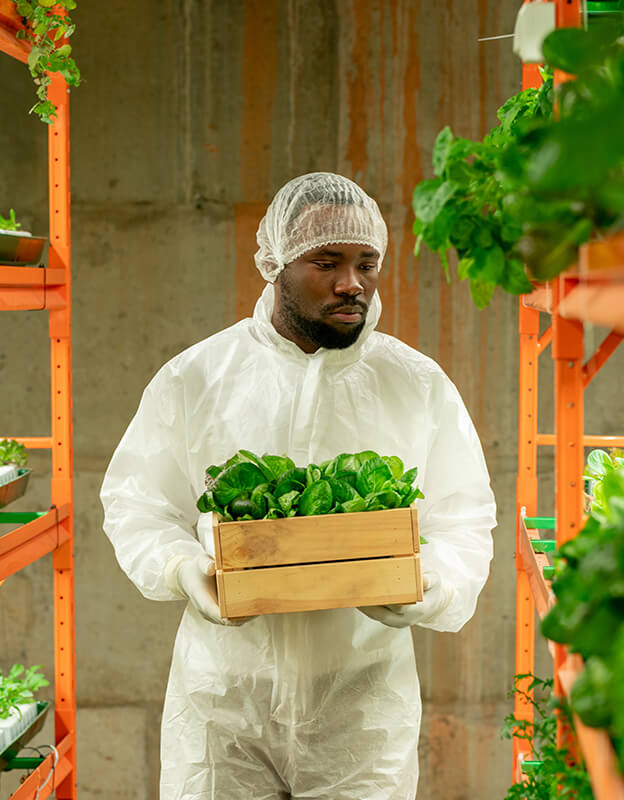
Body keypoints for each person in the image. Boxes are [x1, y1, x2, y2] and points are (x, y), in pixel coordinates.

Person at [100, 172, 496, 800]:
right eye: (327, 261)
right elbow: (136, 503)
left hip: (360, 709)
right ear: (275, 264)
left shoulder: (415, 385)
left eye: (367, 263)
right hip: (223, 706)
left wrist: (430, 586)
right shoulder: (199, 377)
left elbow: (464, 520)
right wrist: (183, 570)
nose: (352, 283)